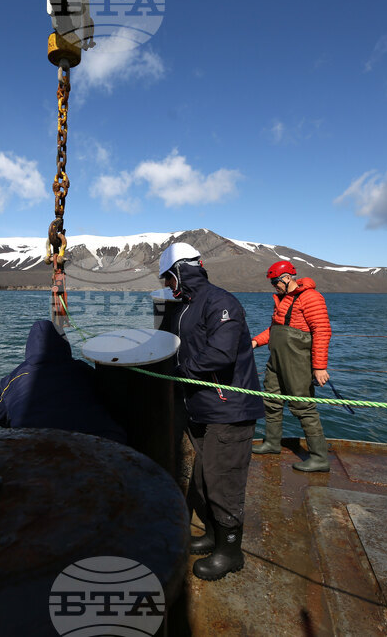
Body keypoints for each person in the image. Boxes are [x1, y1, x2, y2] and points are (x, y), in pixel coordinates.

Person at [158, 242, 263, 581]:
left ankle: (231, 552)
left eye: (168, 281)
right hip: (201, 407)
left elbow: (220, 355)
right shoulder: (186, 307)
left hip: (227, 408)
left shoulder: (220, 302)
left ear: (179, 272)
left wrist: (179, 372)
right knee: (204, 478)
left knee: (223, 481)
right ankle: (214, 536)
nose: (168, 289)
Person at [251, 261, 333, 472]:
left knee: (303, 407)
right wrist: (254, 342)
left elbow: (322, 331)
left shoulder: (311, 298)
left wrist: (319, 367)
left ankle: (319, 458)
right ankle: (272, 443)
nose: (274, 286)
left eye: (275, 282)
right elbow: (275, 329)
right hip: (276, 360)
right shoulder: (282, 299)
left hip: (298, 361)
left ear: (287, 278)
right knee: (271, 400)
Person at [0, 320, 126, 444]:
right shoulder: (82, 370)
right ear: (63, 344)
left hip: (33, 449)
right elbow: (109, 397)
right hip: (102, 443)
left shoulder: (13, 379)